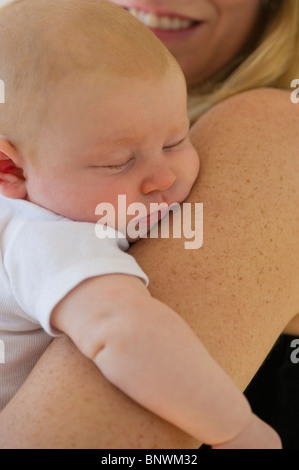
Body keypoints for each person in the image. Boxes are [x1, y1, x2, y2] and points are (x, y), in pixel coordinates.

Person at [0, 0, 298, 449]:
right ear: (11, 170)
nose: (163, 178)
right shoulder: (45, 237)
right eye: (118, 162)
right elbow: (128, 336)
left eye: (176, 140)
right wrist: (235, 429)